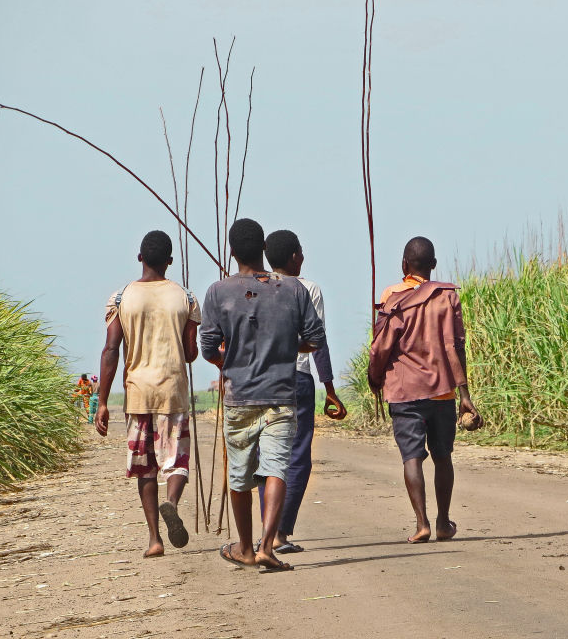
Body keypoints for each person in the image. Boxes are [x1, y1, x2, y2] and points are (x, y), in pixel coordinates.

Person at [200, 218, 325, 572]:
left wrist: (232, 358)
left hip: (239, 397)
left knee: (239, 475)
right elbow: (315, 338)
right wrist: (285, 348)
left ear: (233, 251)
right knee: (276, 469)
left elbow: (209, 346)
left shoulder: (218, 292)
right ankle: (267, 545)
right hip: (281, 395)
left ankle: (243, 546)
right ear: (264, 251)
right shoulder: (293, 290)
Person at [93, 230, 201, 558]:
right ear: (170, 261)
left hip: (137, 392)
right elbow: (190, 352)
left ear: (140, 258)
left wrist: (101, 401)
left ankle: (155, 539)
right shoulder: (186, 297)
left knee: (146, 467)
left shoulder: (121, 298)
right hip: (173, 391)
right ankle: (172, 503)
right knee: (176, 460)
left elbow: (111, 349)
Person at [368, 236, 481, 544]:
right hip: (443, 391)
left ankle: (422, 524)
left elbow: (380, 348)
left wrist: (374, 378)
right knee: (443, 456)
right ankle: (444, 522)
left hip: (405, 391)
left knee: (412, 458)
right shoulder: (447, 296)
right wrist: (466, 396)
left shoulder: (392, 296)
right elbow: (458, 347)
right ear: (433, 265)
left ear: (404, 265)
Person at [257, 229, 347, 554]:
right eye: (301, 252)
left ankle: (267, 531)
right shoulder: (308, 289)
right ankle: (278, 533)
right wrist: (330, 389)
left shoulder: (254, 288)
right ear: (295, 257)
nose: (303, 257)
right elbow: (317, 342)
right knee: (296, 456)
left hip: (260, 380)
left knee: (266, 454)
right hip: (296, 378)